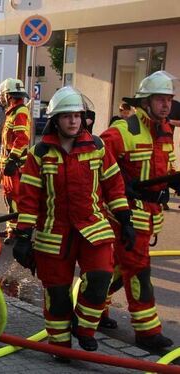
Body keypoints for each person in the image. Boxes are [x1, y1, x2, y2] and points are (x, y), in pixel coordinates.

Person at [13, 86, 134, 356]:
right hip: (53, 234)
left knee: (102, 277)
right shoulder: (40, 153)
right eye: (67, 116)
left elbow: (114, 185)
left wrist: (125, 219)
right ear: (56, 119)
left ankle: (84, 328)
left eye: (77, 116)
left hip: (93, 227)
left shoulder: (98, 147)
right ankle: (61, 346)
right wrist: (22, 236)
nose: (73, 121)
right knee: (57, 294)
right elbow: (29, 199)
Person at [100, 70, 178, 351]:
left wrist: (173, 178)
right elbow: (96, 161)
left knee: (118, 268)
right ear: (145, 102)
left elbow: (163, 166)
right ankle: (147, 331)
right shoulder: (123, 131)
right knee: (138, 271)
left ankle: (93, 306)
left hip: (150, 213)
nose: (166, 104)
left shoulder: (165, 130)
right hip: (126, 214)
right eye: (160, 99)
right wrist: (121, 182)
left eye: (169, 99)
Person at [0, 78, 31, 244]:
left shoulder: (20, 112)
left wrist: (13, 159)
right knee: (9, 198)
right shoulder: (12, 111)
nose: (1, 97)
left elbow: (22, 138)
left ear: (9, 95)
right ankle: (11, 227)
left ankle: (17, 231)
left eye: (3, 94)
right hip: (8, 164)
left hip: (15, 165)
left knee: (16, 198)